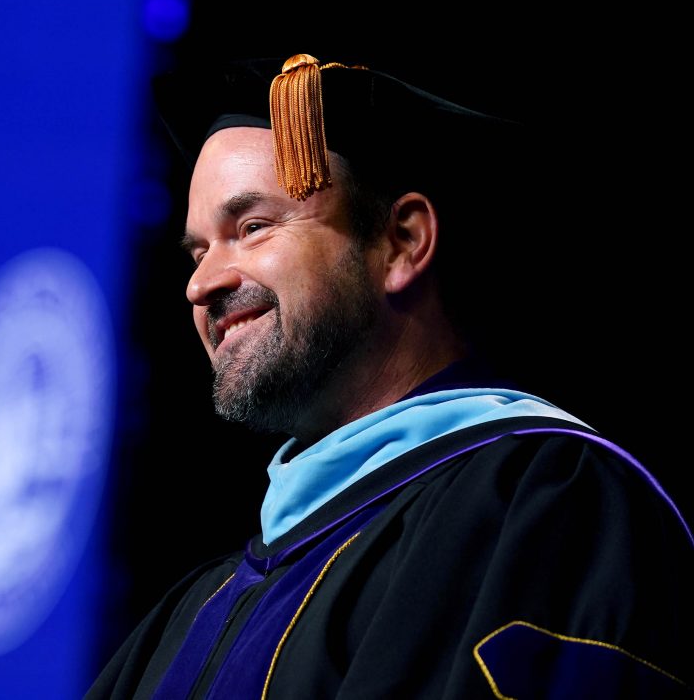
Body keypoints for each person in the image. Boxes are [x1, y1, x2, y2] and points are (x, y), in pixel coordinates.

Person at [87, 55, 693, 698]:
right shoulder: (183, 620)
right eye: (198, 252)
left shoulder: (546, 509)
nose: (201, 284)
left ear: (403, 243)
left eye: (253, 228)